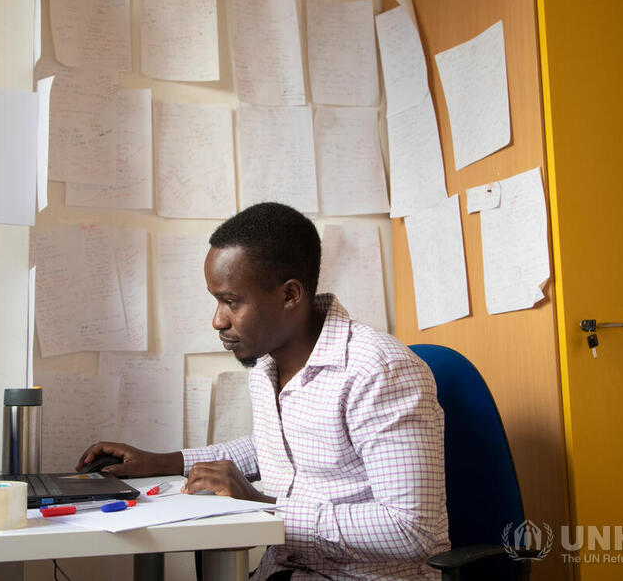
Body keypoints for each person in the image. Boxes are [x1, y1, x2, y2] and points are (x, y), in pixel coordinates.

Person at [79, 202, 449, 580]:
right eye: (217, 300)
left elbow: (412, 529)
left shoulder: (379, 370)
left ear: (290, 295)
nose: (217, 320)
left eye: (231, 301)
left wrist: (265, 506)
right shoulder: (269, 364)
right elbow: (275, 446)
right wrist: (163, 461)